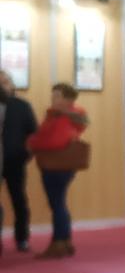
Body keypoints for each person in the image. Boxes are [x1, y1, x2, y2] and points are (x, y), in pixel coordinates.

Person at [26, 83, 89, 259]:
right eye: (53, 95)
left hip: (56, 165)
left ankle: (58, 243)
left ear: (68, 99)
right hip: (58, 165)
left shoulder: (70, 115)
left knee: (57, 205)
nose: (53, 99)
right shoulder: (57, 115)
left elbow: (52, 141)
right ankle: (65, 241)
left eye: (57, 96)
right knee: (59, 204)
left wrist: (32, 143)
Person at [0, 69, 38, 256]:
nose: (3, 84)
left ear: (12, 84)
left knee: (19, 201)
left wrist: (27, 154)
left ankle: (21, 238)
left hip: (15, 161)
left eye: (6, 80)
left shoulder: (22, 106)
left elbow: (33, 133)